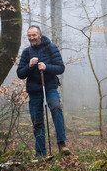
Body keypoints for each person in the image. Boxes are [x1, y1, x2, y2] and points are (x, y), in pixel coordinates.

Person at [17, 25, 70, 156]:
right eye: (29, 35)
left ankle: (61, 143)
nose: (31, 38)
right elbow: (20, 74)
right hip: (34, 90)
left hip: (50, 86)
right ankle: (40, 153)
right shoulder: (26, 52)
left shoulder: (51, 48)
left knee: (56, 107)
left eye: (33, 35)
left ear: (40, 35)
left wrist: (46, 67)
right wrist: (29, 66)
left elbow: (60, 68)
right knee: (37, 120)